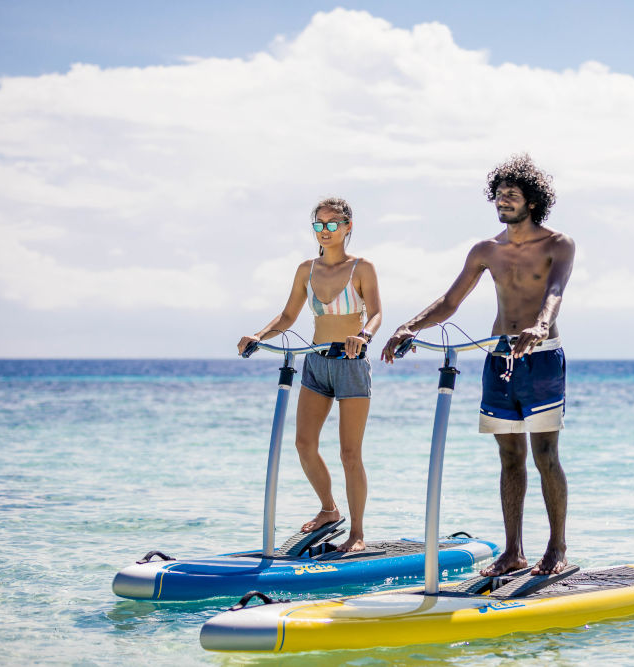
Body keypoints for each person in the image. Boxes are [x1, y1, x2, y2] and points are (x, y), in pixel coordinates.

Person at [382, 154, 575, 575]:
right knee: (509, 458)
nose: (503, 200)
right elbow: (451, 302)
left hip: (541, 360)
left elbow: (556, 290)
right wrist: (408, 327)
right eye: (499, 194)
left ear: (533, 200)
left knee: (545, 454)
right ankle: (513, 551)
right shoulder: (486, 250)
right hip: (499, 359)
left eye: (512, 194)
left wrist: (541, 325)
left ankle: (557, 548)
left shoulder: (558, 244)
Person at [238, 197, 381, 552]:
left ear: (348, 227)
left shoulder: (362, 268)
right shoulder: (306, 269)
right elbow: (287, 317)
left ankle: (358, 532)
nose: (325, 230)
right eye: (319, 224)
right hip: (315, 362)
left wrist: (364, 336)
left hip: (351, 364)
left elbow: (377, 313)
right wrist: (259, 335)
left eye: (333, 224)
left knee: (350, 453)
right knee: (304, 444)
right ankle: (329, 509)